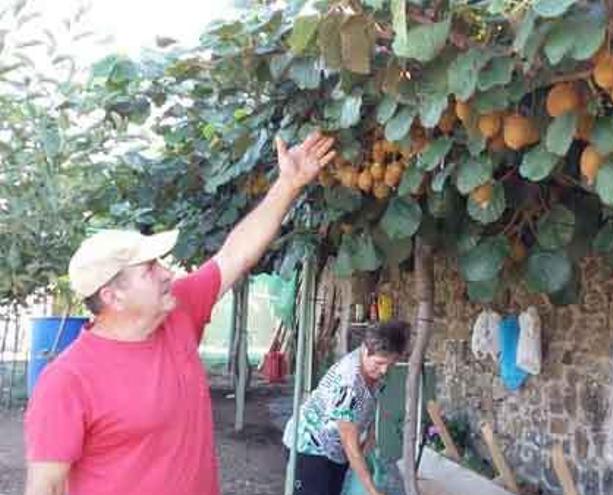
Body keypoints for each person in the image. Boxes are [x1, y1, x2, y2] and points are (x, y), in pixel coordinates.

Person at [23, 132, 336, 495]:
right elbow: (44, 487)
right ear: (113, 296)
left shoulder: (177, 313)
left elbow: (234, 255)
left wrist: (288, 184)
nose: (167, 273)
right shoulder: (68, 381)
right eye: (149, 270)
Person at [284, 321, 409, 495]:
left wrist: (370, 437)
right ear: (366, 350)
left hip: (335, 450)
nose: (384, 370)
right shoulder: (348, 384)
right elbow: (350, 444)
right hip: (310, 447)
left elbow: (373, 402)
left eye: (391, 363)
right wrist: (373, 491)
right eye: (380, 363)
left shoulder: (375, 371)